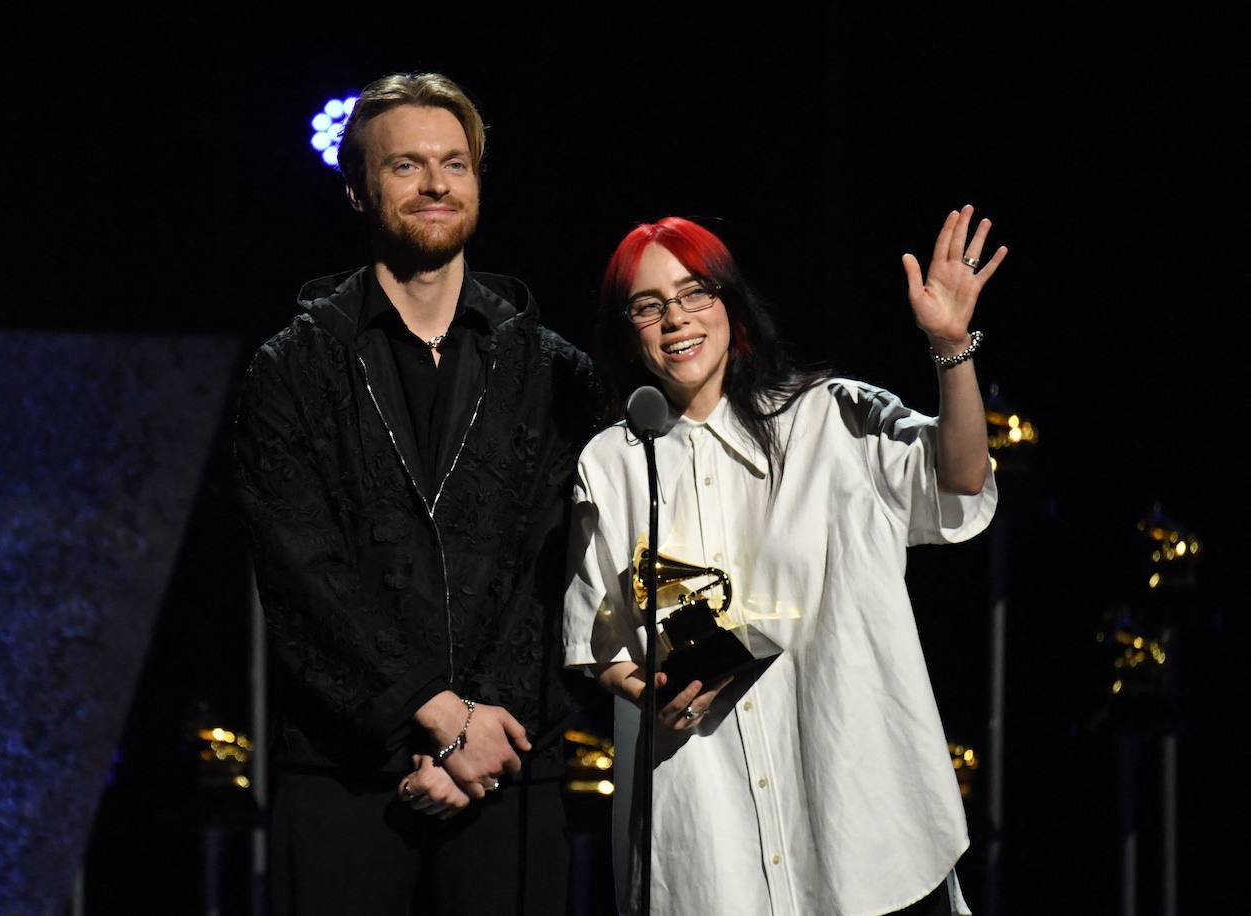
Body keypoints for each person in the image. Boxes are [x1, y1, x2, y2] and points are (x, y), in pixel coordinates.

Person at [564, 211, 1005, 915]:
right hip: (712, 841)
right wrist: (645, 690)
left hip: (861, 833)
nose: (675, 319)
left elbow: (959, 480)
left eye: (694, 293)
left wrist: (951, 347)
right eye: (648, 305)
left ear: (730, 305)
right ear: (628, 330)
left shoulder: (827, 418)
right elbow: (603, 640)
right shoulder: (614, 461)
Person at [234, 72, 597, 916]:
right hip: (345, 772)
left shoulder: (555, 372)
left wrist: (480, 733)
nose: (436, 184)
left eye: (455, 163)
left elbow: (559, 566)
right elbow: (300, 574)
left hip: (507, 765)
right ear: (358, 190)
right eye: (405, 167)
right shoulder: (290, 369)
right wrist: (429, 715)